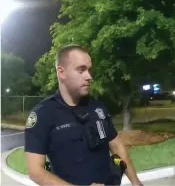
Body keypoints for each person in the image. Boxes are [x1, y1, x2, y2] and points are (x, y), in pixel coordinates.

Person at [24, 44, 143, 186]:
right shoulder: (43, 114)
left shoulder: (97, 106)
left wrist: (136, 182)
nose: (89, 76)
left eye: (89, 70)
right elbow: (35, 171)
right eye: (81, 70)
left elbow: (116, 145)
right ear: (61, 72)